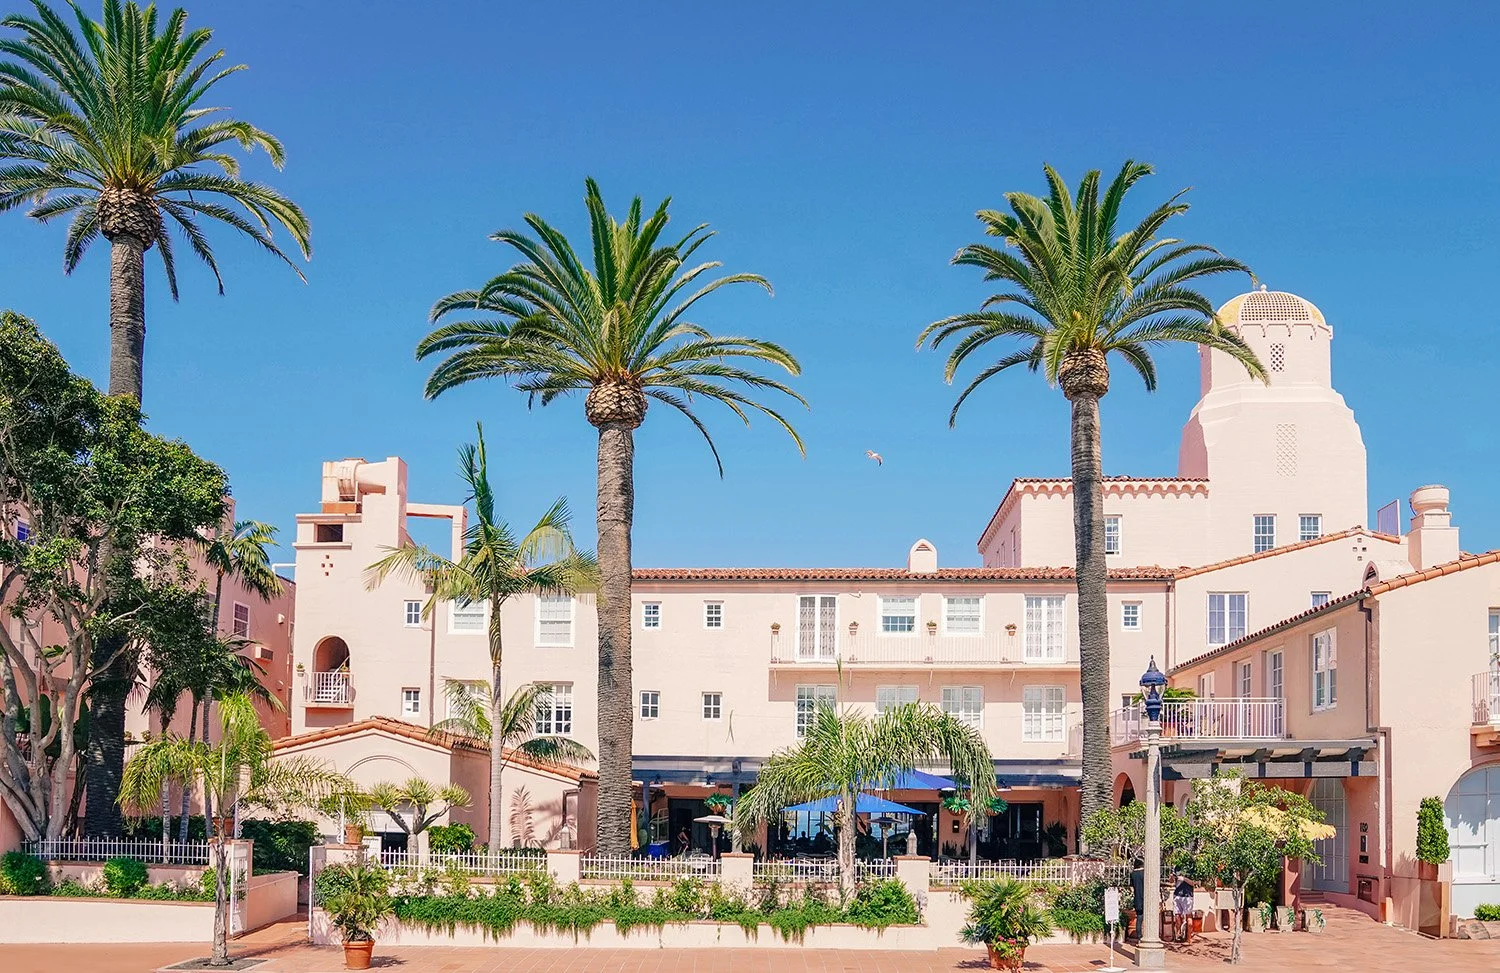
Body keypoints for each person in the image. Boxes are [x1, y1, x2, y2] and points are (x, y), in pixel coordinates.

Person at [1172, 872, 1195, 942]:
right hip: (1177, 895)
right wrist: (1172, 878)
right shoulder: (1177, 867)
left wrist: (1184, 879)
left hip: (1188, 896)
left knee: (1189, 917)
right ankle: (1178, 935)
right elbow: (1172, 882)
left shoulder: (1191, 867)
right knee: (1177, 916)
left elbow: (1194, 883)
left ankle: (1188, 939)